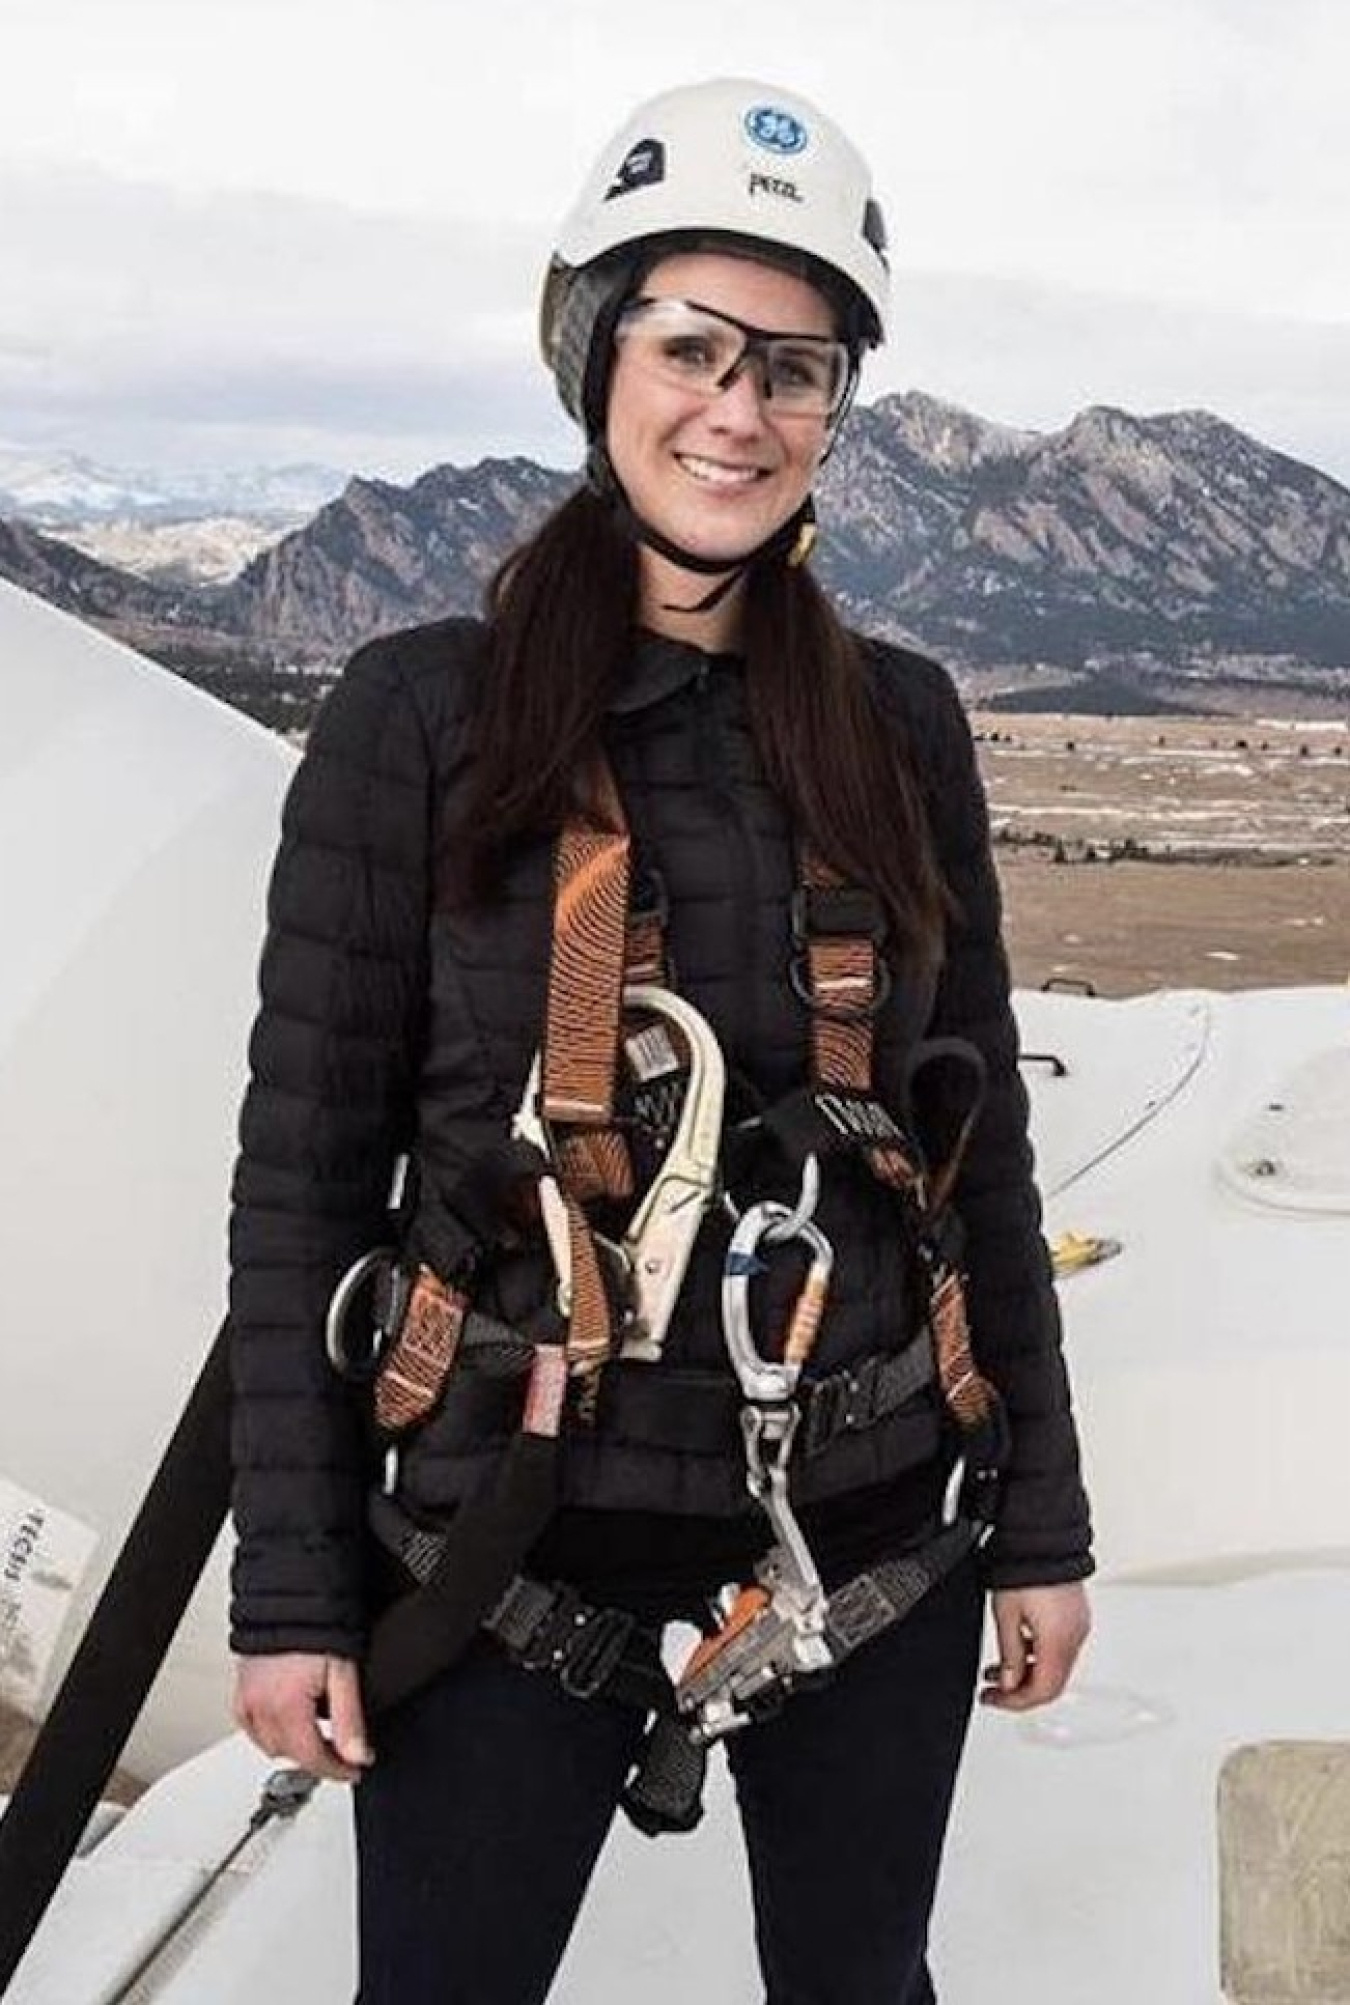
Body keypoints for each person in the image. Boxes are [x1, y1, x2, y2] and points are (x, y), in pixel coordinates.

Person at [229, 77, 1093, 2004]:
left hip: (862, 1526)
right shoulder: (425, 719)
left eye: (792, 369)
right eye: (690, 347)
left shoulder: (898, 721)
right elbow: (302, 1178)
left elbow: (980, 1162)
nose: (739, 408)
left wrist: (1036, 1518)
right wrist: (291, 1585)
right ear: (594, 360)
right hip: (511, 1534)